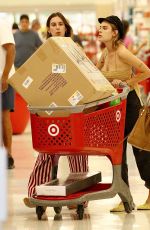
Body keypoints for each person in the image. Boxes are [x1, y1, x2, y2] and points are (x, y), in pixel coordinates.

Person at [23, 12, 89, 212]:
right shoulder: (44, 51)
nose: (57, 27)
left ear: (66, 27)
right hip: (51, 112)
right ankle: (35, 193)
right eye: (54, 24)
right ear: (49, 29)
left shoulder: (75, 49)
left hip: (74, 109)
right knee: (46, 153)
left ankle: (80, 196)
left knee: (77, 153)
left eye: (61, 24)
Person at [97, 15, 150, 211]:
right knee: (117, 149)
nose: (100, 30)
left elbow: (146, 71)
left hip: (131, 104)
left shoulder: (122, 52)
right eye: (100, 27)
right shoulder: (104, 54)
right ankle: (124, 196)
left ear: (115, 32)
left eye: (104, 27)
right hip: (115, 104)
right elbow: (96, 74)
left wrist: (127, 83)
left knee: (138, 148)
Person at [0, 18, 16, 169]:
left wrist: (4, 77)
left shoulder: (1, 24)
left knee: (4, 115)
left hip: (3, 78)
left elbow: (11, 49)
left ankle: (8, 155)